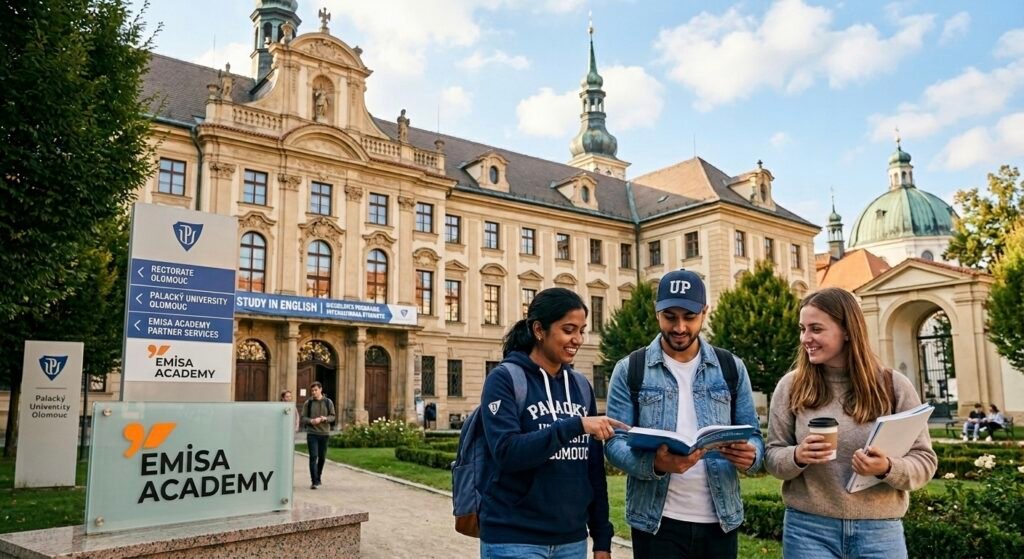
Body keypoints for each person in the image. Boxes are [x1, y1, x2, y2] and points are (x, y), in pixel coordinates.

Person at [765, 287, 937, 558]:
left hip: (879, 531)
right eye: (803, 329)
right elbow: (773, 456)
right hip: (808, 529)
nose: (805, 339)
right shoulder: (791, 386)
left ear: (847, 331)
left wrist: (887, 467)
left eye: (816, 329)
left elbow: (924, 462)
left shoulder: (893, 386)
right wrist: (797, 455)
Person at [605, 269, 764, 558]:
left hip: (720, 520)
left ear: (704, 312)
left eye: (689, 317)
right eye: (670, 316)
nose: (679, 327)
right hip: (656, 523)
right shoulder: (630, 369)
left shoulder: (731, 367)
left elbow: (753, 434)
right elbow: (614, 441)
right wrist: (656, 464)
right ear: (657, 313)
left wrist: (752, 456)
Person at [478, 287, 622, 559]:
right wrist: (575, 426)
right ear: (539, 330)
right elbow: (507, 452)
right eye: (568, 330)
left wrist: (602, 537)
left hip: (571, 541)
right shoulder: (504, 379)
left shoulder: (580, 386)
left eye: (581, 330)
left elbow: (593, 468)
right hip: (515, 538)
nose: (577, 339)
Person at [301, 381, 335, 490]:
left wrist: (325, 419)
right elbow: (303, 418)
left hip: (324, 434)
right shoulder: (308, 403)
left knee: (322, 458)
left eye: (316, 390)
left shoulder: (328, 402)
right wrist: (311, 421)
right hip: (312, 434)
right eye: (312, 391)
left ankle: (318, 477)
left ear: (321, 389)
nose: (314, 392)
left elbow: (333, 416)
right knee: (313, 457)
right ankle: (314, 481)